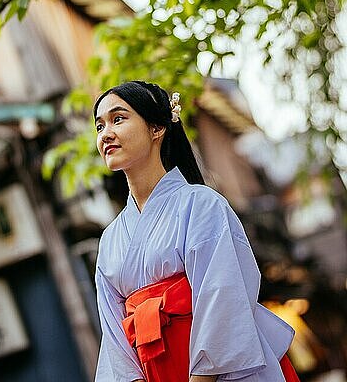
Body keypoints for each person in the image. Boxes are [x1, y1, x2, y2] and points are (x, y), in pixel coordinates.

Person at [92, 81, 300, 382]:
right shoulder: (110, 239)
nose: (106, 134)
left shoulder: (201, 204)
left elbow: (222, 297)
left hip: (215, 372)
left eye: (118, 119)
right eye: (99, 126)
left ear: (156, 128)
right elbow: (114, 336)